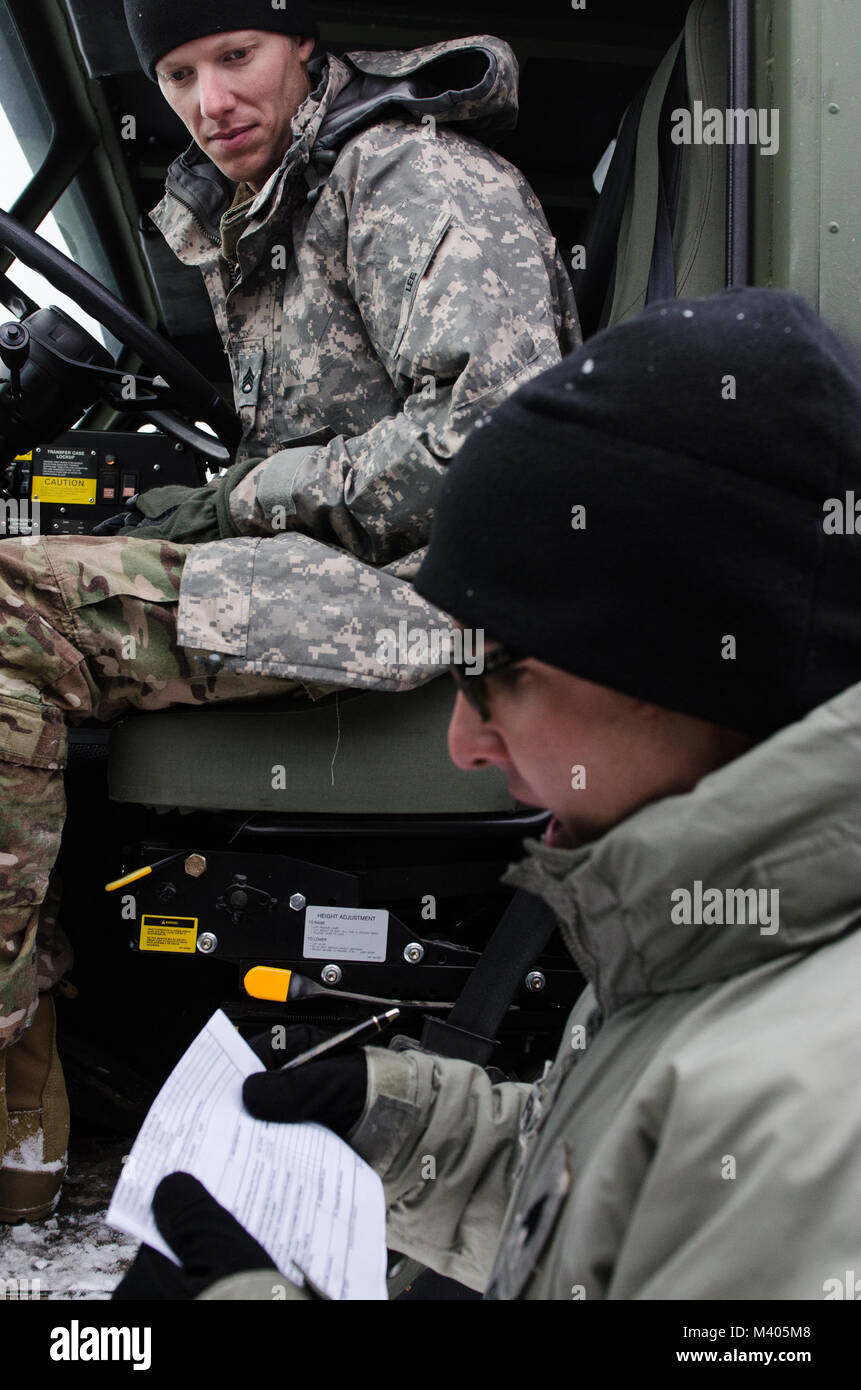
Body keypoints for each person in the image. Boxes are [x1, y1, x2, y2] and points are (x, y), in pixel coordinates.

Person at [117, 284, 861, 1300]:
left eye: (498, 669)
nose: (466, 740)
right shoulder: (716, 947)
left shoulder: (815, 1126)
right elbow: (636, 1195)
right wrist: (416, 1129)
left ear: (698, 663)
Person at [0, 2, 579, 1222]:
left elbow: (497, 443)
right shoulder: (273, 213)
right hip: (350, 576)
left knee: (11, 609)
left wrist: (254, 495)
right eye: (177, 72)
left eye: (235, 58)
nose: (209, 101)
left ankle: (13, 1107)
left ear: (306, 46)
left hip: (428, 593)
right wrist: (202, 507)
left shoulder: (411, 178)